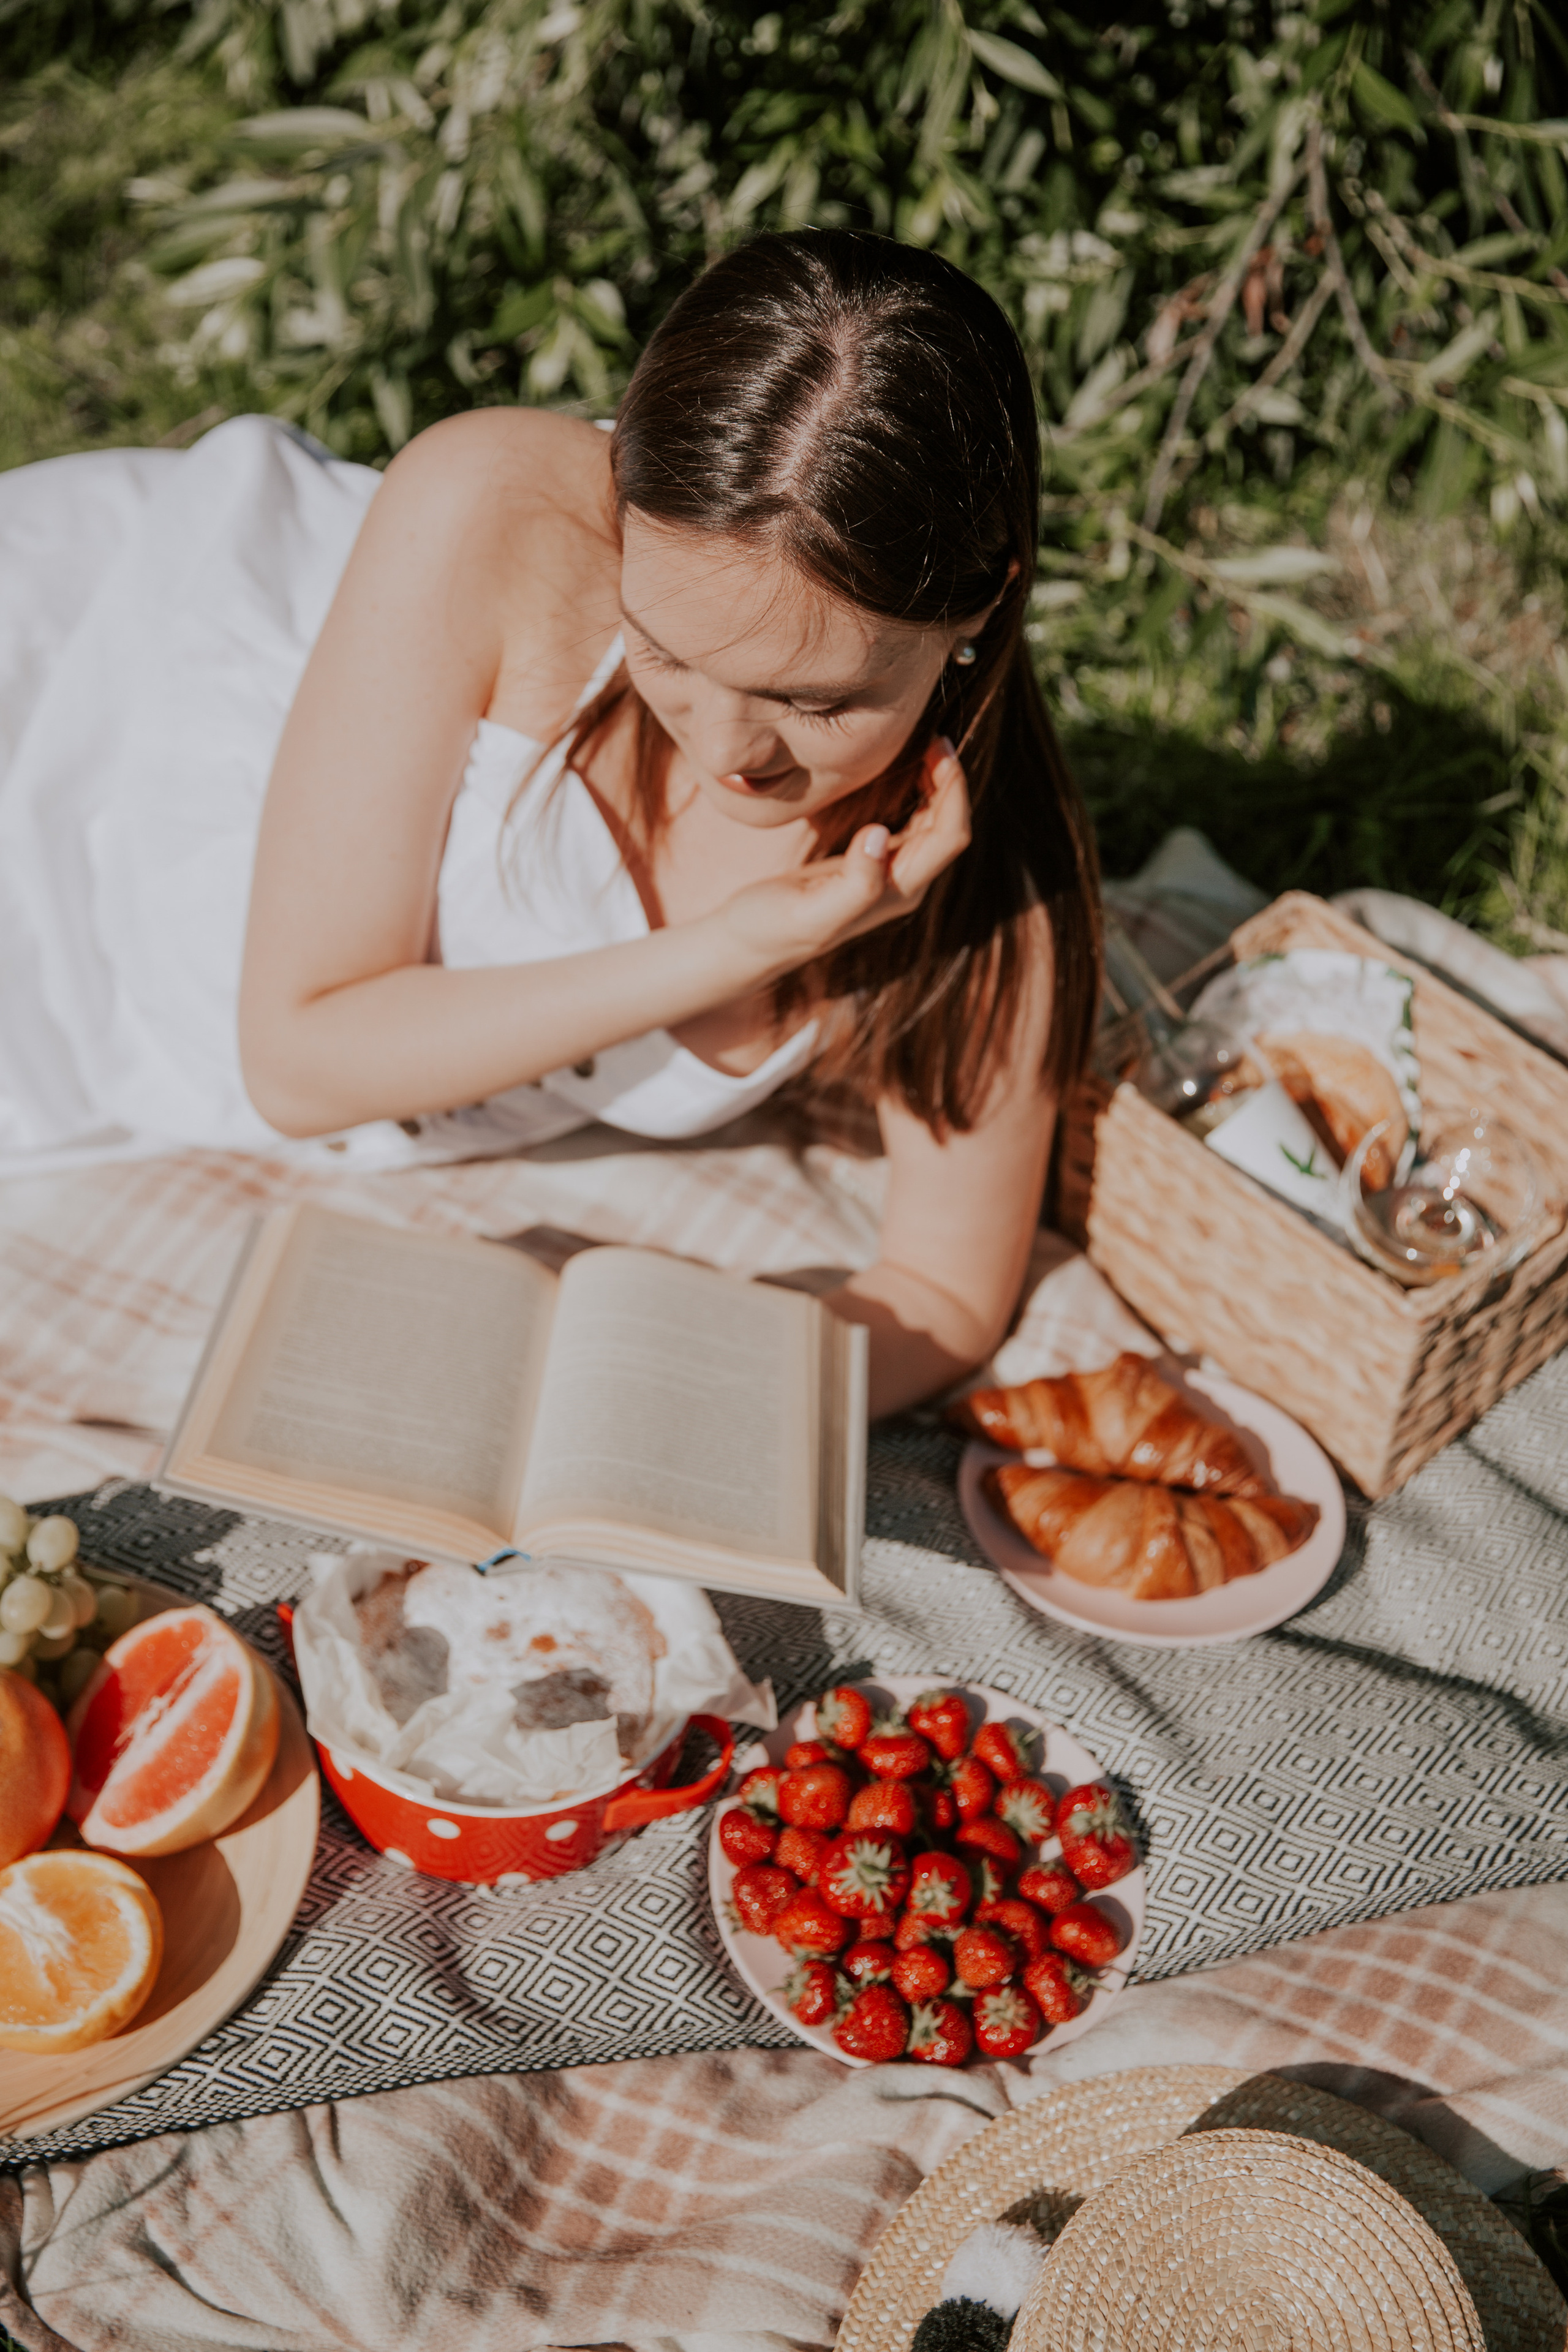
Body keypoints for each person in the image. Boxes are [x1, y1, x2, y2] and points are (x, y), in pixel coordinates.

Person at [0, 230, 1101, 1415]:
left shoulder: (985, 906)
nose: (728, 750)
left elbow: (940, 1293)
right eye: (667, 650)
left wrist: (665, 1413)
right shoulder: (493, 504)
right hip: (83, 686)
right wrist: (738, 948)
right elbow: (299, 1060)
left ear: (984, 603)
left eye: (817, 700)